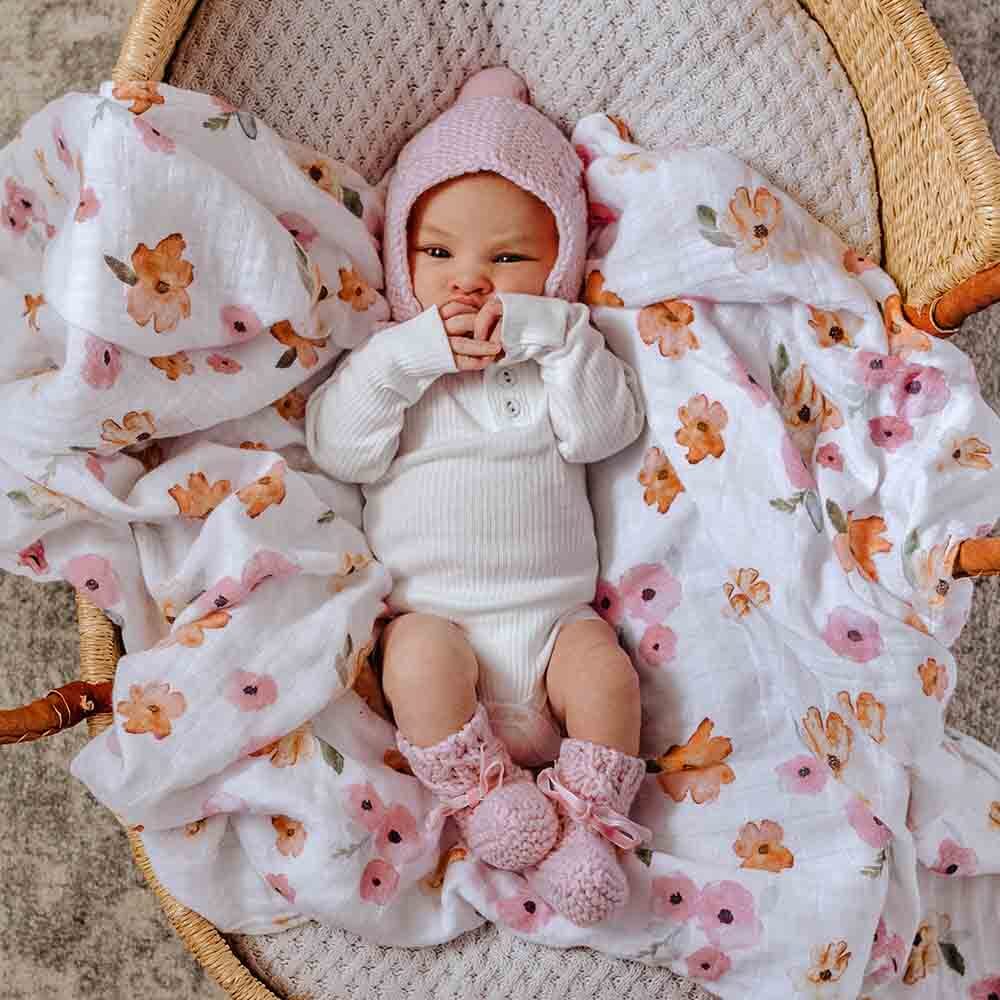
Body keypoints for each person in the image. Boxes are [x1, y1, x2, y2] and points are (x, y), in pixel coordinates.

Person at [306, 67, 649, 927]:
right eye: (439, 253)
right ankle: (483, 801)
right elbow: (338, 448)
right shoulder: (394, 368)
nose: (470, 282)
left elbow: (607, 432)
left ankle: (585, 821)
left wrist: (551, 334)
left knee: (609, 675)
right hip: (442, 633)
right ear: (402, 260)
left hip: (553, 630)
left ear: (560, 267)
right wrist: (407, 355)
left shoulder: (561, 354)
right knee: (413, 653)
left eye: (507, 259)